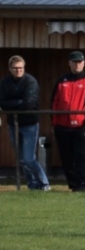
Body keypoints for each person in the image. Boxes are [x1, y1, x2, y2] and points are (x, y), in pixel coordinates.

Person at [0, 55, 50, 190]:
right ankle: (32, 184)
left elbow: (29, 103)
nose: (18, 70)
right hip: (13, 124)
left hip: (30, 125)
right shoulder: (5, 83)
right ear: (10, 69)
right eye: (15, 68)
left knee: (28, 158)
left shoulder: (30, 82)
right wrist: (18, 103)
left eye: (20, 68)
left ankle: (44, 182)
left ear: (24, 68)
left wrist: (11, 105)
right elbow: (1, 102)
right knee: (21, 158)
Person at [51, 51, 85, 192]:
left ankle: (83, 184)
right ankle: (73, 184)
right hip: (62, 126)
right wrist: (55, 123)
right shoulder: (61, 81)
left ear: (83, 63)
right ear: (69, 63)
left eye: (79, 62)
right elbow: (54, 102)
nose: (77, 64)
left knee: (80, 156)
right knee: (66, 157)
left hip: (80, 126)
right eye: (74, 62)